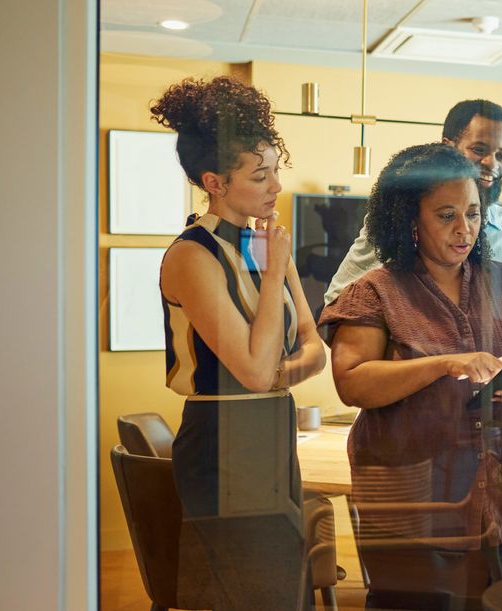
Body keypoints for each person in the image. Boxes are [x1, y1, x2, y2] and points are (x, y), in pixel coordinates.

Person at [318, 143, 502, 609]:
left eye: (473, 213)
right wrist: (446, 363)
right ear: (409, 220)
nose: (464, 228)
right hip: (414, 513)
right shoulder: (374, 292)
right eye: (446, 215)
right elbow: (352, 382)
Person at [152, 76, 327, 611]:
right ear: (216, 182)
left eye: (276, 169)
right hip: (221, 441)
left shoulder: (266, 242)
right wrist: (274, 277)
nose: (276, 186)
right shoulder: (191, 256)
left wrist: (276, 375)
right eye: (260, 175)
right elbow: (253, 372)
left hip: (272, 432)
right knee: (239, 595)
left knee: (284, 592)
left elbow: (315, 350)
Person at [323, 99, 502, 306]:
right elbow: (338, 300)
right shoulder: (400, 216)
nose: (492, 163)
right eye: (479, 150)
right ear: (447, 148)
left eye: (501, 155)